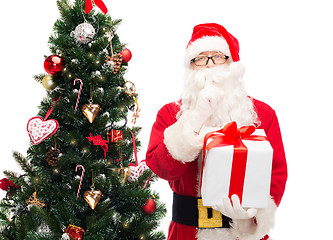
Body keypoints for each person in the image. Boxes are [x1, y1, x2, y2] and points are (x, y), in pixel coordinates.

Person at [145, 23, 287, 240]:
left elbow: (276, 174)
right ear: (191, 67)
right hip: (186, 233)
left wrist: (251, 219)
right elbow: (162, 168)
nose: (210, 65)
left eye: (218, 56)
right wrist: (194, 119)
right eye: (200, 58)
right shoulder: (170, 113)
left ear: (231, 63)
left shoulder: (262, 113)